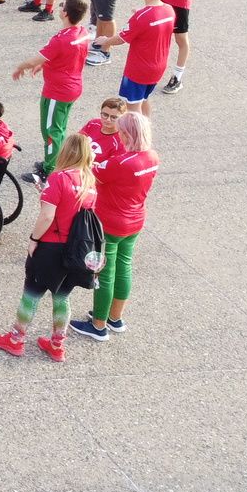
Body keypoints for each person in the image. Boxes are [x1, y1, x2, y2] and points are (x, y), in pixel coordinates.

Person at [0, 133, 99, 362]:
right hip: (74, 251)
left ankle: (16, 339)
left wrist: (33, 239)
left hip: (50, 247)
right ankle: (57, 345)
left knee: (32, 293)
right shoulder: (89, 180)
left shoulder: (58, 178)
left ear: (66, 151)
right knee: (62, 297)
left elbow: (48, 216)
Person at [70, 112, 157, 342]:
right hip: (135, 219)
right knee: (124, 267)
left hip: (110, 222)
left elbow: (90, 172)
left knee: (104, 273)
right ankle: (115, 318)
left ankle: (98, 325)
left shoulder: (121, 162)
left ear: (127, 133)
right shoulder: (152, 156)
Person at [12, 0, 92, 168]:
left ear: (65, 13)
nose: (60, 7)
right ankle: (57, 160)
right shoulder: (82, 32)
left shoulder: (60, 39)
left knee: (50, 132)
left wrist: (20, 67)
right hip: (73, 87)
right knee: (59, 129)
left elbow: (35, 60)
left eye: (62, 5)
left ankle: (50, 169)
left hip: (57, 92)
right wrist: (45, 64)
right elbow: (66, 55)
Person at [93, 0, 176, 117]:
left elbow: (121, 38)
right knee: (144, 99)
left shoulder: (141, 16)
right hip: (159, 66)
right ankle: (147, 126)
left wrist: (105, 41)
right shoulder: (169, 10)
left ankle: (138, 131)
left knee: (132, 109)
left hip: (139, 69)